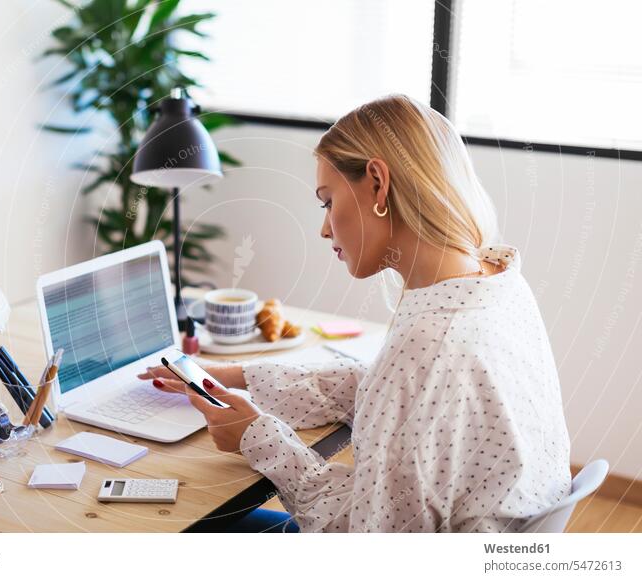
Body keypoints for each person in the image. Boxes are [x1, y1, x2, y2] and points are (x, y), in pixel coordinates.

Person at [138, 94, 571, 533]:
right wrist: (235, 375)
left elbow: (366, 533)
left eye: (327, 202)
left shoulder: (429, 342)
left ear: (378, 185)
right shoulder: (496, 281)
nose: (324, 227)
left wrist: (257, 436)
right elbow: (385, 390)